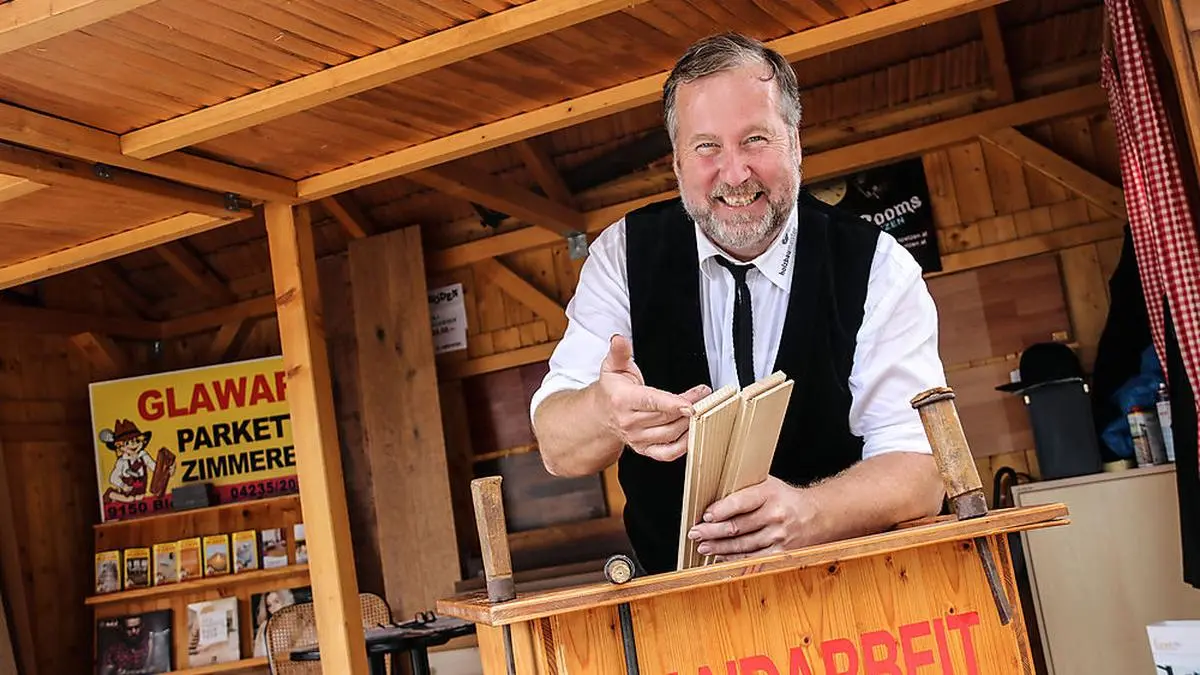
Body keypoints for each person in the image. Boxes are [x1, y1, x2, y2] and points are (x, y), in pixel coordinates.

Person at [528, 32, 947, 575]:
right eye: (707, 147)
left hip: (850, 599)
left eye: (755, 139)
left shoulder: (878, 266)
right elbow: (558, 449)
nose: (734, 173)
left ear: (795, 144)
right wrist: (605, 413)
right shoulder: (622, 256)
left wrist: (809, 513)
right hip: (677, 615)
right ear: (677, 163)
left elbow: (923, 470)